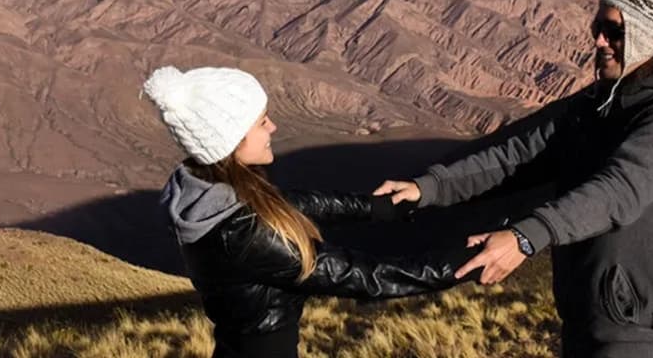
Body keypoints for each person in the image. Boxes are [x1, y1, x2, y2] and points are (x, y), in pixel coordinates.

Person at [374, 0, 653, 358]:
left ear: (648, 36)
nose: (599, 41)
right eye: (597, 27)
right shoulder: (603, 99)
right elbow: (520, 154)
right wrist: (429, 188)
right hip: (582, 307)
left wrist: (525, 237)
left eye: (613, 31)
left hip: (629, 326)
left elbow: (617, 192)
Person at [144, 65, 480, 358]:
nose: (273, 127)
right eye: (262, 122)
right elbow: (364, 276)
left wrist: (382, 207)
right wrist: (467, 263)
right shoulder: (244, 235)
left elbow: (295, 203)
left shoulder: (208, 191)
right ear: (232, 140)